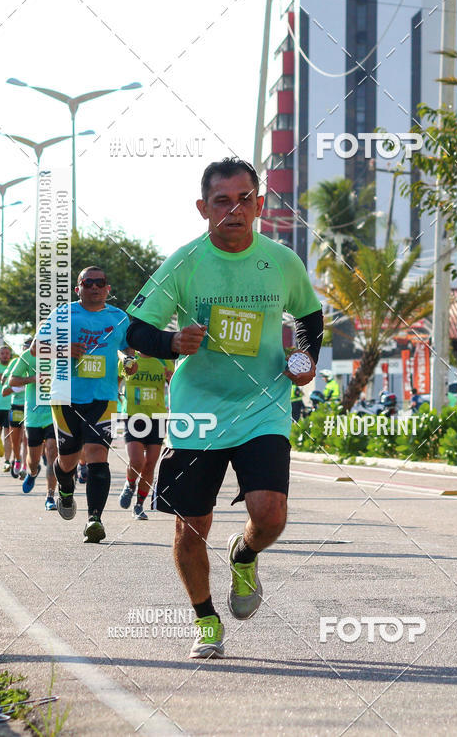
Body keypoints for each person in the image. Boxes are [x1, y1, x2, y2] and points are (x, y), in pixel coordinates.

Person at [126, 158, 323, 659]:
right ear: (203, 208)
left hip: (263, 404)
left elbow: (309, 315)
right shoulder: (185, 263)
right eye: (222, 201)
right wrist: (172, 342)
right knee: (191, 527)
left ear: (259, 205)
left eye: (244, 199)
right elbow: (135, 328)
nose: (234, 210)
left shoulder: (281, 261)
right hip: (199, 411)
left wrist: (305, 358)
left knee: (270, 515)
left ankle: (246, 553)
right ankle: (206, 620)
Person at [34, 266, 137, 543]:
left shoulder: (118, 317)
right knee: (67, 460)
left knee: (97, 455)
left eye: (99, 283)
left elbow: (127, 347)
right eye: (88, 282)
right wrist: (64, 349)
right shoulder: (63, 314)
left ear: (107, 288)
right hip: (65, 396)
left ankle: (95, 520)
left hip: (104, 397)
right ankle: (65, 488)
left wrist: (130, 360)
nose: (94, 287)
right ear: (77, 288)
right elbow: (35, 348)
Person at [118, 352, 174, 519]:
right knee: (137, 461)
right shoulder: (129, 361)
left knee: (150, 465)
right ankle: (130, 484)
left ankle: (139, 505)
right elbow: (114, 384)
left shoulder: (164, 360)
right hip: (133, 416)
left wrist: (171, 379)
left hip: (157, 417)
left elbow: (175, 387)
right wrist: (121, 401)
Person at [9, 338, 58, 510]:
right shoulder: (28, 356)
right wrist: (32, 378)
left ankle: (50, 496)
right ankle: (32, 472)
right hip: (34, 415)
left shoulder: (61, 354)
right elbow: (12, 381)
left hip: (54, 413)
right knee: (34, 460)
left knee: (52, 452)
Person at [1, 352, 26, 477]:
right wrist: (17, 387)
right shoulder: (16, 364)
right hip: (16, 407)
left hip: (31, 407)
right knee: (15, 439)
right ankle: (17, 459)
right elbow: (4, 391)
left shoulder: (40, 365)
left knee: (27, 438)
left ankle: (25, 466)